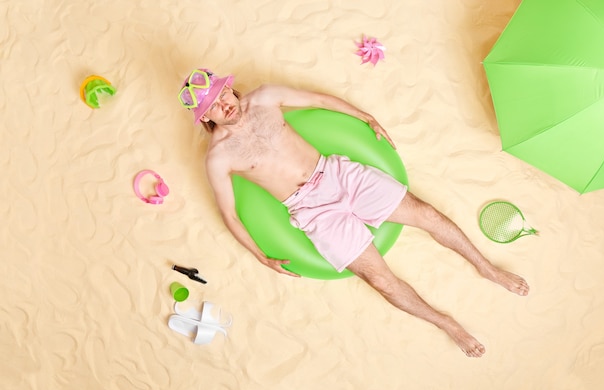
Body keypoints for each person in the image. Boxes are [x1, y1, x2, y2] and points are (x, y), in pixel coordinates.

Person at [178, 68, 530, 357]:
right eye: (211, 105)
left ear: (229, 88)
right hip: (310, 210)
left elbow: (316, 99)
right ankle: (448, 325)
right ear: (205, 118)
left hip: (336, 173)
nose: (222, 103)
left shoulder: (265, 97)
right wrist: (260, 257)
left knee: (428, 215)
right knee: (380, 281)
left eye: (221, 93)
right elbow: (230, 214)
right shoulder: (219, 157)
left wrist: (366, 117)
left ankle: (486, 268)